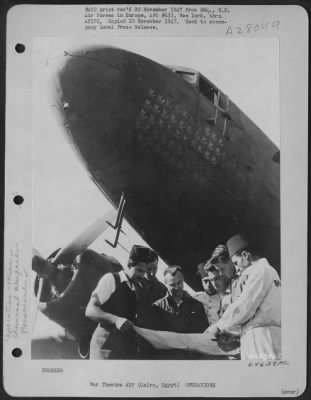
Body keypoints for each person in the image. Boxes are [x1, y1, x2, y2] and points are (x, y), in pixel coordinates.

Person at [207, 234, 281, 360]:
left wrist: (218, 326)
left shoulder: (261, 270)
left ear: (246, 256)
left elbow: (244, 307)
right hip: (261, 337)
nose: (237, 269)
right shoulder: (265, 271)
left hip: (262, 340)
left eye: (235, 263)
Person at [85, 245, 152, 360]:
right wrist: (115, 319)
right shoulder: (111, 279)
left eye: (144, 272)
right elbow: (90, 310)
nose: (142, 275)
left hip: (125, 350)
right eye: (139, 270)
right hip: (105, 348)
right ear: (129, 264)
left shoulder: (137, 288)